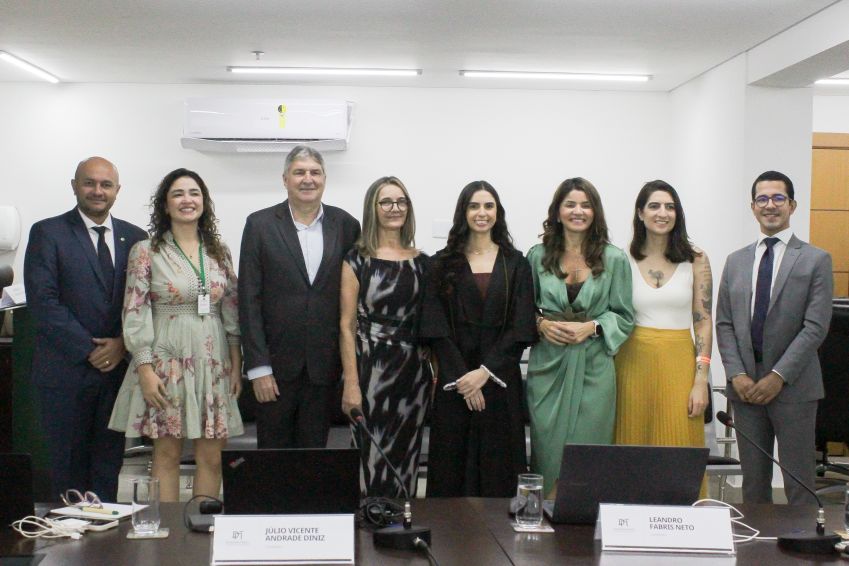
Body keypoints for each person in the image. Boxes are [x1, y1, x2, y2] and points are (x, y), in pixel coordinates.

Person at [108, 168, 242, 502]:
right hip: (165, 364)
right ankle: (167, 530)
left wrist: (236, 365)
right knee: (166, 454)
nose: (187, 200)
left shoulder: (219, 251)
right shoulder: (146, 251)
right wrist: (145, 369)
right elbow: (134, 310)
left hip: (213, 363)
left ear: (204, 202)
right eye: (178, 194)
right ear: (165, 205)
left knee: (211, 456)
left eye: (194, 193)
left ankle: (202, 525)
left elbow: (231, 309)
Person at [24, 156, 147, 501]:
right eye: (89, 183)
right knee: (67, 471)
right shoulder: (48, 232)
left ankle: (105, 534)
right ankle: (69, 534)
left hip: (116, 375)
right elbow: (43, 302)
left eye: (106, 184)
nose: (97, 191)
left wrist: (121, 344)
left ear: (117, 190)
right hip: (65, 374)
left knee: (108, 468)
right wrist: (91, 350)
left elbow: (142, 303)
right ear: (75, 186)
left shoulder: (136, 238)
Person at [716, 170, 832, 505]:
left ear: (792, 205)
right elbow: (724, 323)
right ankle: (757, 540)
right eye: (762, 199)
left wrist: (778, 376)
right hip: (746, 388)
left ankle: (803, 539)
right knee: (753, 483)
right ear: (753, 207)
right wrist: (737, 374)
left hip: (794, 387)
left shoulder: (815, 260)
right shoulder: (736, 261)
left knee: (799, 482)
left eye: (778, 198)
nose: (770, 205)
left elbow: (815, 327)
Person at [420, 181, 537, 497]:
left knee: (499, 470)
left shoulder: (516, 264)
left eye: (488, 206)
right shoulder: (440, 263)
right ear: (463, 212)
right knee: (451, 469)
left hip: (499, 383)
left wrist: (484, 373)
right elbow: (435, 327)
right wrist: (464, 379)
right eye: (474, 206)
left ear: (498, 212)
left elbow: (521, 327)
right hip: (455, 385)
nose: (481, 213)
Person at [239, 146, 360, 449]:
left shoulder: (346, 225)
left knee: (313, 458)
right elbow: (248, 300)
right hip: (274, 370)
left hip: (324, 370)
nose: (308, 179)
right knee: (273, 461)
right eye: (299, 172)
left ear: (324, 179)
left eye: (315, 172)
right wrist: (258, 368)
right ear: (285, 179)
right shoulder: (260, 225)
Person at [526, 177, 634, 496]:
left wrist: (593, 326)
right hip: (548, 368)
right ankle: (543, 512)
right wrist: (541, 324)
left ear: (595, 212)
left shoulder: (614, 259)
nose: (578, 211)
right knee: (547, 449)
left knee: (590, 450)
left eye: (586, 205)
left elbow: (624, 315)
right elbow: (520, 311)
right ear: (557, 212)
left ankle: (585, 514)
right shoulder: (536, 256)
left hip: (595, 369)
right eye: (570, 204)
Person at [339, 176, 431, 497]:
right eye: (387, 202)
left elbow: (431, 323)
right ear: (372, 208)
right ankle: (369, 522)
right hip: (371, 373)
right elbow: (346, 326)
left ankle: (402, 521)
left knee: (407, 458)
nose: (395, 208)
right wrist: (351, 384)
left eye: (401, 201)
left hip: (413, 377)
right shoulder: (356, 260)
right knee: (370, 459)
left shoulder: (423, 262)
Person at [615, 180, 712, 447]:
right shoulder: (621, 259)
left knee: (678, 443)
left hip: (679, 363)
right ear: (640, 213)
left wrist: (701, 380)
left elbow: (703, 323)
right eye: (654, 206)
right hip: (631, 363)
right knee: (630, 445)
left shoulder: (696, 259)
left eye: (670, 207)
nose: (663, 213)